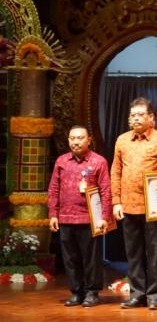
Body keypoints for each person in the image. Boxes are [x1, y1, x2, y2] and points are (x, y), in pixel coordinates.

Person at [111, 97, 157, 310]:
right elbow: (116, 172)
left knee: (154, 252)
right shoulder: (122, 140)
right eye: (132, 115)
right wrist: (116, 202)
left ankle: (155, 295)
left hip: (153, 207)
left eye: (140, 115)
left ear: (151, 118)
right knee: (133, 252)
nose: (135, 119)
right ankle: (137, 293)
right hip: (128, 205)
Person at [47, 125, 111, 307]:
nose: (76, 142)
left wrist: (104, 217)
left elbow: (106, 191)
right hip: (65, 218)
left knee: (91, 259)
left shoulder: (98, 161)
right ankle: (76, 292)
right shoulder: (61, 161)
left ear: (89, 140)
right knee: (70, 259)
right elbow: (54, 189)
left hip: (89, 219)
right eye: (72, 138)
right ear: (68, 140)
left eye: (80, 138)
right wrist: (53, 214)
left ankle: (92, 292)